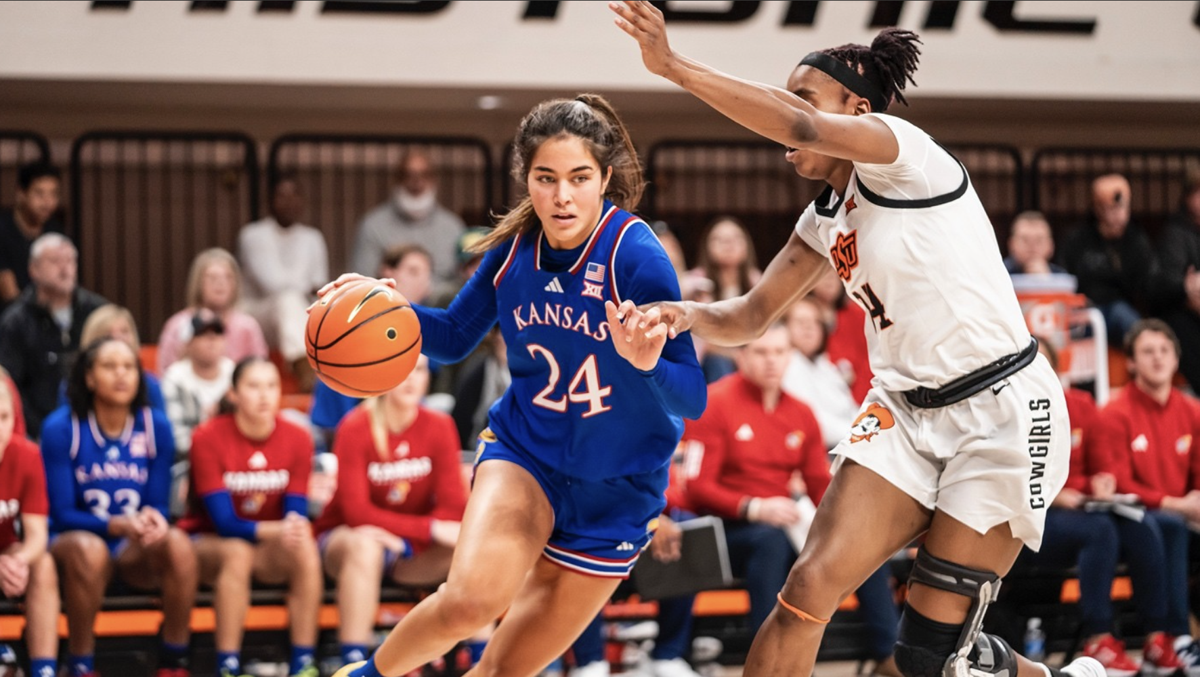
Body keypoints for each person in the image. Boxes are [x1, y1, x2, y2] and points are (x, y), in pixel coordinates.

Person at [609, 8, 1097, 677]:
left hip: (1001, 409)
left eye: (802, 95)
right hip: (904, 410)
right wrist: (681, 313)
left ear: (856, 110)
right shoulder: (823, 218)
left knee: (926, 657)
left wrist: (672, 66)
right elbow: (751, 316)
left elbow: (800, 125)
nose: (786, 119)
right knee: (805, 590)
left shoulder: (905, 153)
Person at [328, 93, 705, 677]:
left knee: (503, 672)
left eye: (579, 178)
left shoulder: (636, 257)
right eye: (545, 177)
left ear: (604, 178)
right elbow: (454, 335)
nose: (562, 196)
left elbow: (693, 397)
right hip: (527, 454)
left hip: (620, 487)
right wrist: (390, 309)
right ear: (526, 179)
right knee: (470, 602)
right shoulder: (512, 251)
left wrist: (648, 362)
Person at [684, 324, 901, 675]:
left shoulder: (801, 411)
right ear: (741, 356)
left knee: (858, 544)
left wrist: (854, 526)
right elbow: (697, 487)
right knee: (770, 542)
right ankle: (772, 663)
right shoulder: (715, 403)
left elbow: (820, 483)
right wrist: (753, 506)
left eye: (780, 353)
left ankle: (888, 655)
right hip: (730, 528)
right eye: (761, 352)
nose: (771, 361)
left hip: (786, 522)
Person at [1020, 339, 1182, 676]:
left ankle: (1156, 636)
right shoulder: (1011, 412)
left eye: (1046, 365)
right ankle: (1099, 638)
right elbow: (1009, 478)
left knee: (1140, 522)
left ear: (1057, 370)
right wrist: (1054, 494)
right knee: (1100, 529)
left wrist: (1102, 483)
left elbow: (1102, 464)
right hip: (1033, 516)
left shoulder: (1080, 404)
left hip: (1081, 508)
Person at [41, 337, 196, 677]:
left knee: (179, 544)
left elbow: (156, 501)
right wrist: (119, 525)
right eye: (109, 367)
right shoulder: (60, 428)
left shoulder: (156, 426)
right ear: (89, 377)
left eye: (129, 367)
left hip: (130, 547)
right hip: (73, 543)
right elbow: (63, 514)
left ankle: (174, 660)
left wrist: (153, 518)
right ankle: (80, 663)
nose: (121, 374)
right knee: (89, 549)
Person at [315, 355, 469, 670]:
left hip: (404, 549)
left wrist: (408, 539)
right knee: (365, 545)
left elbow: (453, 508)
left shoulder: (440, 425)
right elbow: (356, 513)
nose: (413, 379)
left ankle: (481, 659)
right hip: (343, 540)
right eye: (405, 370)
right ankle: (354, 666)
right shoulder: (355, 427)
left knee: (468, 548)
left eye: (421, 371)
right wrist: (426, 530)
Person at [183, 357, 322, 677]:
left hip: (268, 546)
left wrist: (292, 529)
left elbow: (296, 514)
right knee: (237, 552)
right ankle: (227, 665)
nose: (264, 395)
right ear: (233, 394)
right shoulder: (207, 437)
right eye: (253, 386)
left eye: (271, 386)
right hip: (210, 543)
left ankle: (304, 662)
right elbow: (224, 522)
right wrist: (283, 529)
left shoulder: (299, 438)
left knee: (305, 547)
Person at [1097, 320, 1199, 665]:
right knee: (1169, 524)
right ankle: (1178, 636)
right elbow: (1118, 481)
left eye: (1164, 351)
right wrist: (1174, 504)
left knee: (1177, 524)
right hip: (1134, 515)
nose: (1157, 359)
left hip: (1186, 512)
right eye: (1147, 351)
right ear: (1130, 362)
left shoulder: (1193, 410)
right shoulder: (1115, 411)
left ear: (1176, 358)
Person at [0, 233, 107, 438]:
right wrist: (40, 433)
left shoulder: (96, 312)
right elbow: (10, 386)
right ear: (33, 269)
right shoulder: (16, 322)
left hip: (94, 431)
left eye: (69, 260)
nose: (65, 268)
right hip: (34, 433)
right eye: (55, 261)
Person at [238, 174, 330, 392]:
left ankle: (312, 366)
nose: (288, 202)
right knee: (286, 299)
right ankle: (306, 371)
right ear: (269, 201)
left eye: (294, 195)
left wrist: (308, 288)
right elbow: (273, 283)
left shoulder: (313, 238)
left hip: (300, 314)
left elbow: (320, 290)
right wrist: (306, 286)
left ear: (302, 201)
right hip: (257, 317)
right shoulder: (253, 235)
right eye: (282, 196)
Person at [0, 382, 59, 677]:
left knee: (43, 563)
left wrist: (17, 561)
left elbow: (37, 534)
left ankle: (43, 669)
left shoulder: (26, 454)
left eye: (3, 417)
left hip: (5, 549)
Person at [1058, 175, 1159, 344]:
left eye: (1121, 207)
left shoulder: (1136, 240)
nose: (1117, 214)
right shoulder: (1078, 239)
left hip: (1121, 308)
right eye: (1110, 208)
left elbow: (1148, 284)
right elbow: (1065, 277)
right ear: (1097, 209)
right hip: (1083, 308)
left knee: (1135, 327)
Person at [350, 150, 466, 286]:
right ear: (398, 179)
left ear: (433, 179)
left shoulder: (452, 227)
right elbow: (362, 281)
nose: (416, 181)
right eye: (408, 174)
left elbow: (461, 282)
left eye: (424, 174)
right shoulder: (372, 226)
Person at [157, 248, 269, 374]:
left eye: (228, 277)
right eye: (212, 277)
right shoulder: (177, 325)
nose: (220, 283)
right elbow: (165, 374)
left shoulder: (247, 326)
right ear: (198, 282)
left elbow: (261, 372)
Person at [687, 216, 762, 382]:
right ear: (707, 246)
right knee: (719, 363)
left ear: (746, 246)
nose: (728, 244)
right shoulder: (695, 284)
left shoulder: (758, 282)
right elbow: (702, 339)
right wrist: (735, 355)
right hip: (708, 361)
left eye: (735, 238)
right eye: (719, 239)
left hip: (754, 357)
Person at [781, 296, 860, 449]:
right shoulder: (787, 365)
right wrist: (861, 435)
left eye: (815, 322)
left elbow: (849, 408)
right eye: (800, 322)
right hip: (823, 449)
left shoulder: (823, 364)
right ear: (785, 327)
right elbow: (815, 424)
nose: (808, 328)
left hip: (848, 442)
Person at [161, 310, 235, 458]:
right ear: (188, 343)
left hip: (234, 455)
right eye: (202, 334)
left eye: (217, 333)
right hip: (189, 459)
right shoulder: (175, 378)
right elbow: (175, 436)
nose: (212, 339)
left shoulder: (234, 373)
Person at [1153, 171, 1200, 390]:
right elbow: (1163, 285)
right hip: (1182, 310)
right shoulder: (1175, 232)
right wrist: (1186, 288)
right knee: (1180, 327)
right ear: (1188, 197)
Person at [76, 303, 167, 411]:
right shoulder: (74, 385)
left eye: (124, 331)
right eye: (108, 333)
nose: (118, 338)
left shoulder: (150, 384)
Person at [0, 162, 64, 307]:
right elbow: (9, 292)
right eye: (39, 193)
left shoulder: (54, 231)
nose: (47, 202)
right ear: (21, 193)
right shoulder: (3, 229)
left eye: (54, 194)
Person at [1004, 212, 1068, 276]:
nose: (1032, 246)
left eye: (1038, 240)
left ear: (1051, 245)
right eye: (1025, 240)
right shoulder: (999, 272)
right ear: (1011, 244)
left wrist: (1047, 280)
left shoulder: (1060, 277)